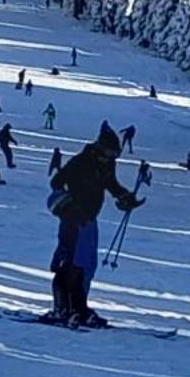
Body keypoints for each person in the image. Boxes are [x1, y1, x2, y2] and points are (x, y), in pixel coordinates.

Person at [44, 123, 144, 327]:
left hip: (90, 219)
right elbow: (56, 181)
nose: (112, 157)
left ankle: (78, 307)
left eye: (116, 154)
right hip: (74, 220)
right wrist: (67, 204)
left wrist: (125, 196)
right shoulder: (81, 162)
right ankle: (65, 308)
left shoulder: (106, 164)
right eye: (110, 152)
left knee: (88, 265)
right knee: (73, 263)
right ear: (100, 147)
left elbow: (111, 184)